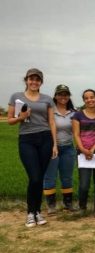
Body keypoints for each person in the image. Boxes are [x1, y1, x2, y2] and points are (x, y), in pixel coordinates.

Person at [7, 68, 58, 227]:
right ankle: (30, 212)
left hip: (45, 138)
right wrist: (21, 117)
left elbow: (51, 122)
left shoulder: (47, 99)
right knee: (34, 177)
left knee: (39, 178)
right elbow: (10, 120)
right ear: (26, 80)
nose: (34, 82)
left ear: (41, 82)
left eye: (37, 79)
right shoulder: (17, 97)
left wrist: (55, 144)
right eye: (31, 79)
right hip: (27, 139)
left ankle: (37, 212)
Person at [72, 89, 95, 218]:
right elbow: (76, 134)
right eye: (86, 98)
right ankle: (82, 207)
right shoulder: (78, 115)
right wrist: (82, 149)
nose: (89, 100)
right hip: (82, 152)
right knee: (84, 183)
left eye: (92, 97)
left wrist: (92, 149)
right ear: (84, 100)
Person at [43, 84, 77, 215]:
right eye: (60, 94)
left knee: (67, 177)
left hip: (68, 148)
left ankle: (68, 203)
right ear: (55, 96)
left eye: (66, 94)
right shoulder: (50, 111)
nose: (63, 97)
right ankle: (51, 205)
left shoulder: (73, 113)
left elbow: (76, 132)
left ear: (69, 96)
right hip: (52, 149)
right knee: (50, 177)